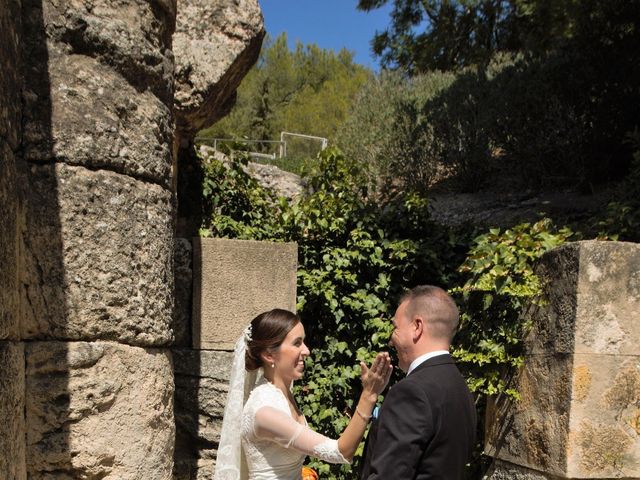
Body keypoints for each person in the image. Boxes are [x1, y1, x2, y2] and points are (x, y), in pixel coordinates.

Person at [214, 308, 393, 480]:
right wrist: (368, 395)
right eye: (297, 343)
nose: (306, 351)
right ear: (269, 355)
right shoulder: (264, 411)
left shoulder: (281, 394)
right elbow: (341, 451)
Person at [360, 285, 477, 480]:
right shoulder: (459, 386)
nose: (391, 339)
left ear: (417, 327)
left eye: (396, 327)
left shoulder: (411, 392)